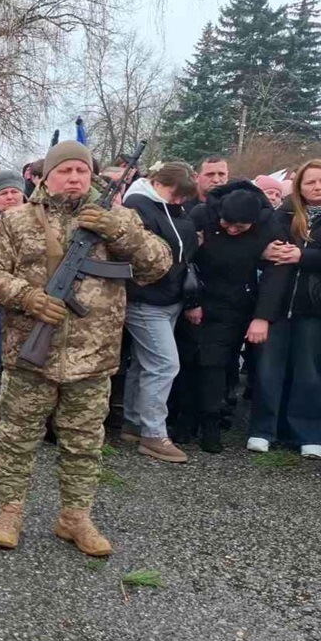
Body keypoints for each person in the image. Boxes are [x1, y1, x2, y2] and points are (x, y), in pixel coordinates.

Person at [0, 140, 171, 556]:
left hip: (93, 356)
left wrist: (120, 232)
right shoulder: (16, 221)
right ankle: (9, 511)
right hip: (29, 352)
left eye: (81, 171)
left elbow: (159, 266)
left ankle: (74, 517)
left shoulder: (120, 218)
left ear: (92, 176)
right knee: (17, 438)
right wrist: (26, 296)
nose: (74, 178)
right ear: (46, 176)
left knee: (83, 443)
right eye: (65, 171)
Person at [175, 181, 279, 453]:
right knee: (188, 359)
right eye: (227, 224)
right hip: (197, 294)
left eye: (240, 228)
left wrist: (262, 316)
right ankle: (184, 419)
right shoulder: (201, 214)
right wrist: (191, 302)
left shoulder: (269, 224)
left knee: (216, 363)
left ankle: (211, 422)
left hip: (236, 303)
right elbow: (184, 259)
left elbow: (276, 273)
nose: (232, 230)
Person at [119, 162, 198, 463]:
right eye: (176, 194)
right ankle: (153, 433)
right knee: (164, 365)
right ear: (157, 183)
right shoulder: (137, 207)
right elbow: (149, 251)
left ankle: (134, 423)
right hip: (146, 299)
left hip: (167, 297)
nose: (180, 202)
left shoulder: (166, 208)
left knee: (145, 364)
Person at [247, 160, 321, 459]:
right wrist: (262, 315)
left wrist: (302, 256)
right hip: (278, 306)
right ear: (299, 187)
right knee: (268, 370)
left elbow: (298, 258)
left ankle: (307, 433)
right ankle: (263, 429)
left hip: (314, 309)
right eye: (310, 182)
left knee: (310, 373)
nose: (317, 187)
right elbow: (272, 265)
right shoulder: (284, 216)